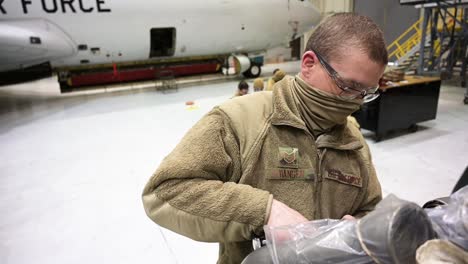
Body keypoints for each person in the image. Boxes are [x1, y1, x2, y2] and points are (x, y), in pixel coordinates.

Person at [142, 13, 387, 264]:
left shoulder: (353, 140)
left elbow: (371, 207)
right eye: (347, 87)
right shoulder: (240, 121)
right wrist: (264, 211)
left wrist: (359, 226)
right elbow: (165, 192)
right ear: (309, 63)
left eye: (365, 93)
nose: (353, 102)